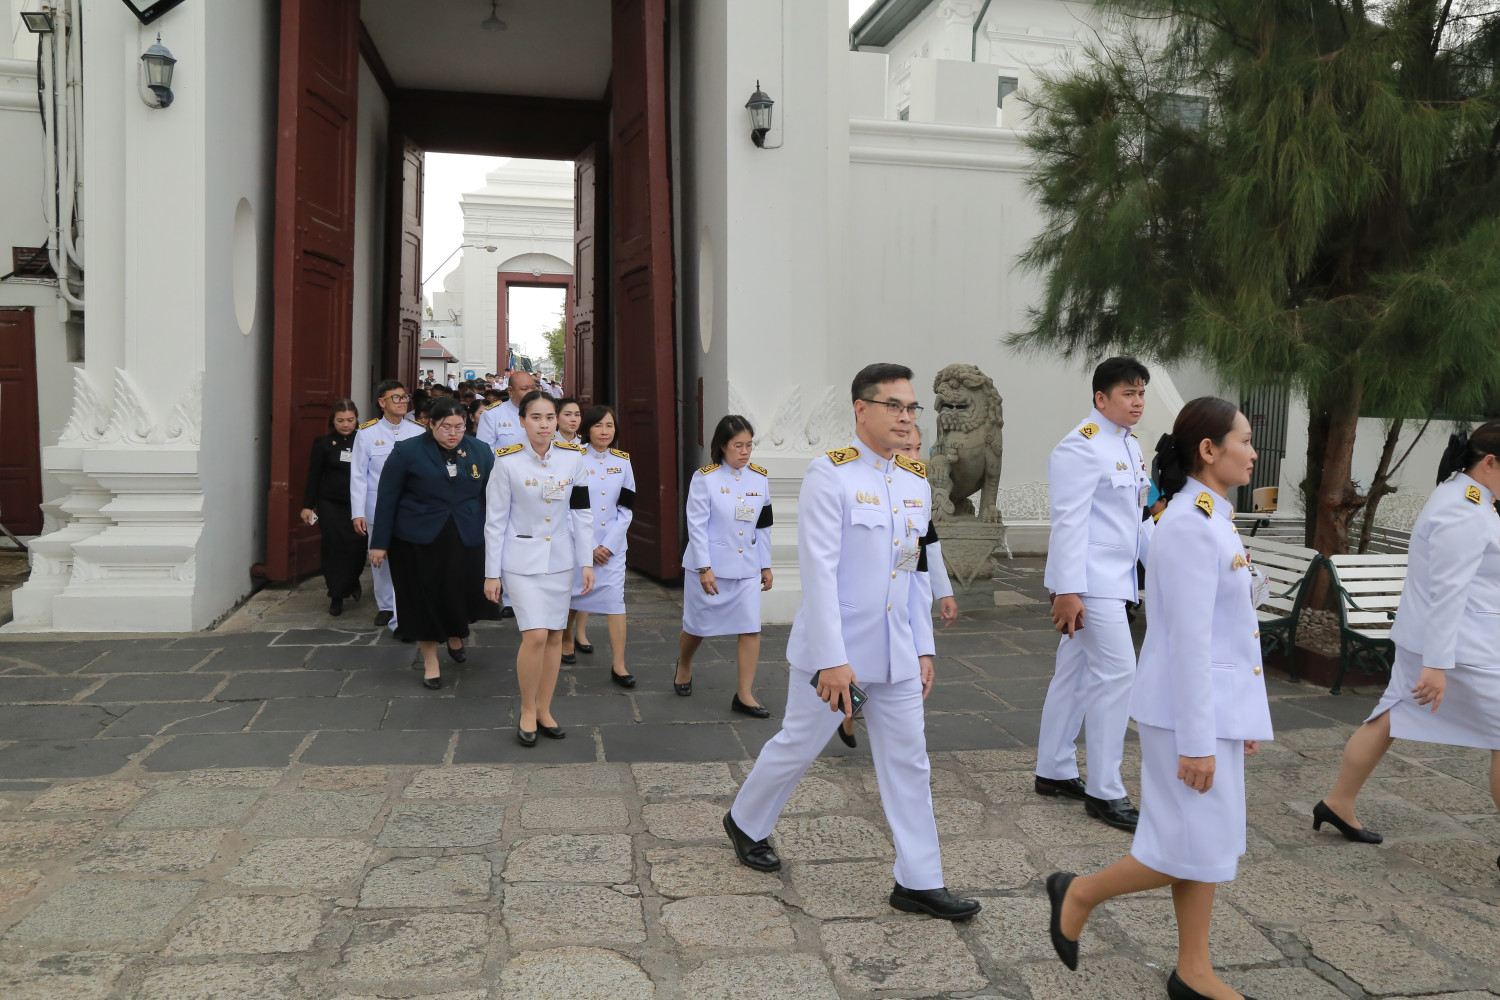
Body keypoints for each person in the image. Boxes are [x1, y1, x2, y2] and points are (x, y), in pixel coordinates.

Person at [725, 364, 978, 920]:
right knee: (799, 743)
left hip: (897, 651)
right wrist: (834, 662)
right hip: (837, 657)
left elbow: (911, 572)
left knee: (910, 762)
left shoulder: (913, 482)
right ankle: (746, 821)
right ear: (861, 409)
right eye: (894, 406)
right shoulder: (830, 474)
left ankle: (919, 879)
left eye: (911, 408)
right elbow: (818, 573)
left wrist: (924, 647)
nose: (906, 417)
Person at [1045, 396, 1270, 1000]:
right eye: (1244, 440)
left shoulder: (1211, 515)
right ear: (1208, 450)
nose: (1252, 452)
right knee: (1186, 845)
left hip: (1212, 707)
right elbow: (1188, 643)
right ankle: (1080, 892)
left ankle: (1192, 969)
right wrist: (1199, 742)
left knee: (1206, 844)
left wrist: (1240, 717)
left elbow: (1228, 630)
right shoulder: (1189, 527)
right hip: (1186, 713)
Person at [1313, 422, 1500, 865]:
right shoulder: (1466, 510)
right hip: (1459, 647)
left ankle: (1338, 802)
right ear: (1490, 462)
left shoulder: (1462, 491)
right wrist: (1437, 665)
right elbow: (1447, 591)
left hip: (1441, 640)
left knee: (1390, 715)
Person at [1035, 357, 1155, 832]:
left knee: (1076, 673)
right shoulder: (1080, 448)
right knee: (1118, 673)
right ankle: (1106, 790)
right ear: (1100, 399)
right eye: (1128, 393)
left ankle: (1054, 769)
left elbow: (1134, 518)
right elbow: (1069, 521)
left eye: (1141, 392)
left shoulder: (1128, 446)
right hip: (1090, 584)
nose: (1138, 401)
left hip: (1114, 580)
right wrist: (1066, 590)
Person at [483, 391, 596, 747]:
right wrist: (491, 572)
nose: (544, 424)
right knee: (533, 635)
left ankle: (545, 708)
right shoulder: (507, 461)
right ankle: (527, 709)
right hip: (520, 560)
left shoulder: (573, 460)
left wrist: (586, 560)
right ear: (522, 421)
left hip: (560, 560)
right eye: (536, 417)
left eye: (550, 417)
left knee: (552, 637)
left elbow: (582, 513)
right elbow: (495, 520)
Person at [839, 426, 958, 749]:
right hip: (855, 614)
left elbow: (922, 555)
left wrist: (942, 594)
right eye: (908, 449)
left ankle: (850, 715)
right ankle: (844, 716)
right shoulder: (850, 480)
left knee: (906, 743)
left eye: (919, 449)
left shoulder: (915, 489)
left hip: (900, 612)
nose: (915, 457)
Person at [367, 398, 494, 688]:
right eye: (446, 427)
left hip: (465, 534)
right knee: (421, 598)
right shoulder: (407, 451)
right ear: (431, 424)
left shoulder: (480, 451)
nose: (453, 433)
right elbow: (387, 498)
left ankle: (454, 634)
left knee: (458, 593)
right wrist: (379, 543)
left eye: (459, 427)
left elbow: (493, 495)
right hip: (417, 538)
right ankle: (430, 661)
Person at [675, 415, 774, 718]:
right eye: (738, 446)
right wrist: (704, 567)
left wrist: (765, 565)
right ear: (723, 446)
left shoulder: (759, 478)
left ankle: (744, 694)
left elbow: (764, 524)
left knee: (750, 628)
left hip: (746, 566)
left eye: (749, 445)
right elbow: (697, 525)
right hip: (711, 568)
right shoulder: (705, 478)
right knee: (697, 627)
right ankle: (684, 664)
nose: (745, 452)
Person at [561, 405, 636, 687]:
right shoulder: (573, 459)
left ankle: (619, 664)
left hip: (613, 548)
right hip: (579, 544)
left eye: (610, 426)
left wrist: (610, 544)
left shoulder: (623, 461)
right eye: (598, 426)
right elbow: (567, 506)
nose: (605, 431)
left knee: (616, 602)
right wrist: (589, 545)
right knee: (573, 596)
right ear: (587, 429)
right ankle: (567, 636)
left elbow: (626, 505)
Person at [351, 380, 420, 629]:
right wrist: (357, 512)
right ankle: (386, 606)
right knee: (380, 558)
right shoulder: (367, 433)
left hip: (410, 507)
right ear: (382, 403)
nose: (402, 402)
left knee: (410, 556)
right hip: (377, 506)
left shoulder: (418, 431)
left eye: (405, 397)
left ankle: (407, 603)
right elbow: (358, 475)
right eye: (396, 398)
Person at [300, 399, 366, 617]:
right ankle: (336, 594)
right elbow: (313, 475)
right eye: (340, 420)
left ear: (357, 420)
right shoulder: (324, 444)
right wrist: (308, 506)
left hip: (357, 504)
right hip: (330, 504)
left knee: (357, 547)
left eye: (350, 420)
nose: (345, 424)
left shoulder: (364, 441)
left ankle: (353, 580)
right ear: (333, 421)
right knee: (333, 547)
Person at [478, 370, 535, 450]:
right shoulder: (492, 414)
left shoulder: (543, 413)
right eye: (525, 389)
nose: (531, 392)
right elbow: (485, 453)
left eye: (533, 388)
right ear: (510, 391)